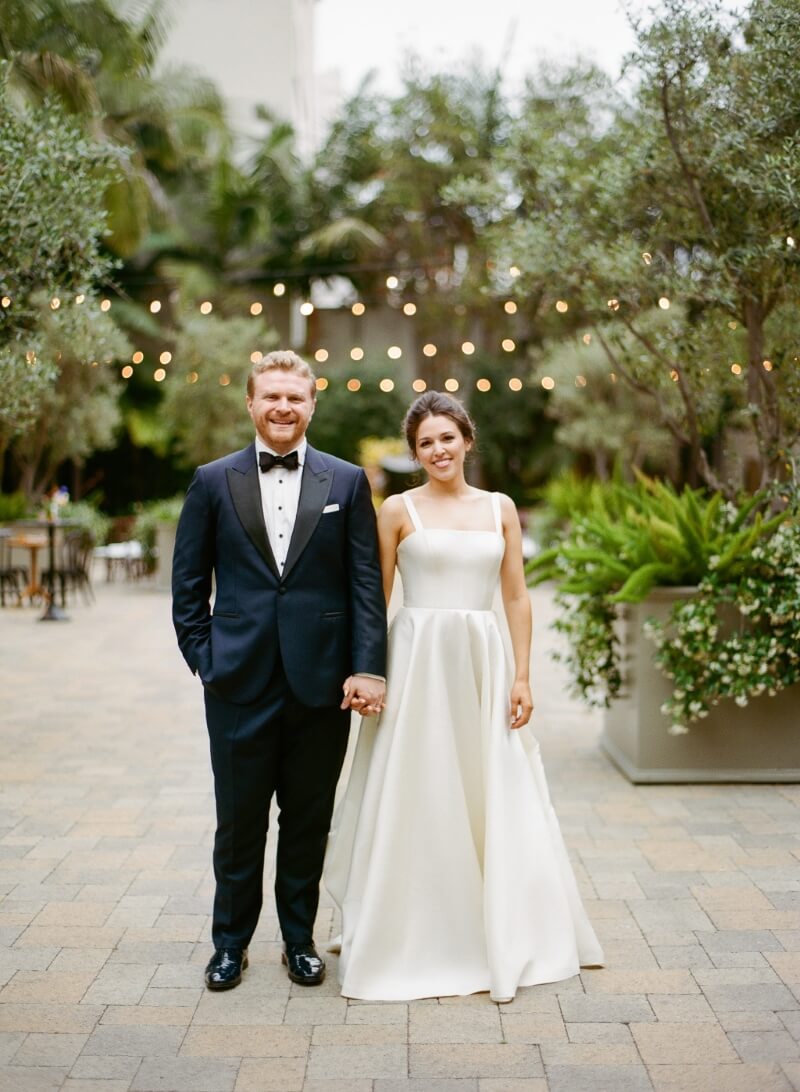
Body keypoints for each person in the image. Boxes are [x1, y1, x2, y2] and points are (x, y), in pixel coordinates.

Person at [324, 390, 604, 1003]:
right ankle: (408, 925)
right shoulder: (397, 510)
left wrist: (523, 675)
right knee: (417, 787)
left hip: (483, 661)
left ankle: (499, 923)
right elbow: (373, 600)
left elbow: (516, 598)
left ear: (467, 440)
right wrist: (367, 672)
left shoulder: (500, 508)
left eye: (446, 437)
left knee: (488, 787)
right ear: (415, 452)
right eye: (425, 442)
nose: (437, 450)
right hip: (417, 663)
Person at [172, 350, 387, 992]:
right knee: (239, 823)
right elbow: (188, 587)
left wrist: (366, 668)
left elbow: (364, 586)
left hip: (322, 686)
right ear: (250, 403)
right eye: (271, 397)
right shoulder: (212, 481)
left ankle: (300, 940)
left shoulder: (346, 482)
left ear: (312, 403)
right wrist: (209, 663)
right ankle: (229, 945)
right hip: (237, 684)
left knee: (307, 822)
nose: (283, 408)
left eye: (295, 397)